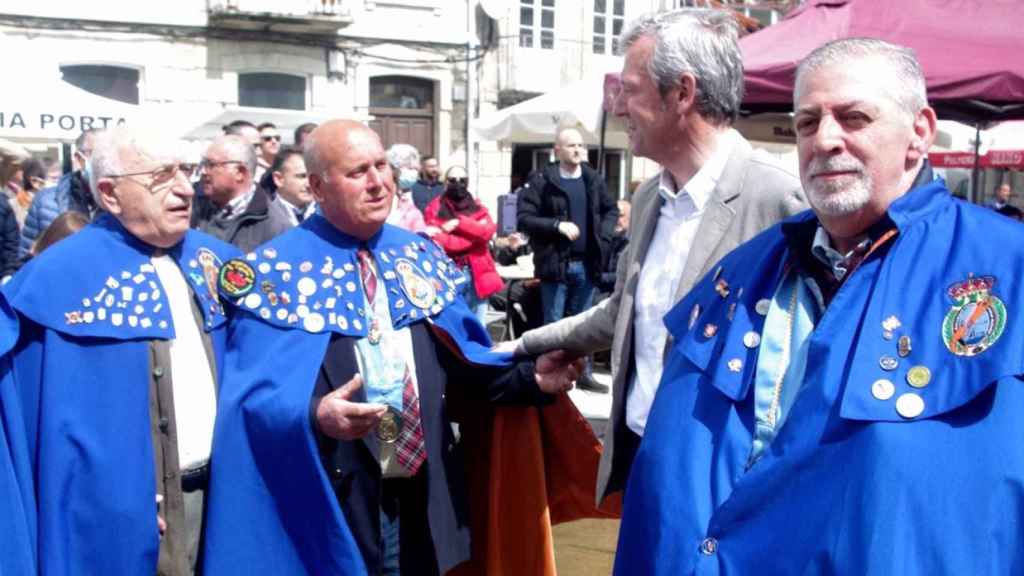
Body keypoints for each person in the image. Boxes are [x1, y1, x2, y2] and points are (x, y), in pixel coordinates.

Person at [617, 37, 1024, 574]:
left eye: (854, 118)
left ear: (920, 131)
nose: (825, 139)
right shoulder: (743, 272)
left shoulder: (1009, 270)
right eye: (808, 122)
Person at [201, 120, 596, 575]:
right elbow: (249, 402)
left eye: (381, 166)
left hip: (423, 492)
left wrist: (531, 378)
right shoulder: (272, 274)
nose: (378, 182)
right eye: (358, 172)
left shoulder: (420, 255)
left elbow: (467, 364)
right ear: (317, 187)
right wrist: (314, 415)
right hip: (335, 499)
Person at [504, 7, 806, 505]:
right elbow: (622, 312)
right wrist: (523, 345)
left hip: (729, 486)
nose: (618, 107)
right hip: (642, 461)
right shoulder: (649, 198)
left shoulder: (780, 201)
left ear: (682, 93)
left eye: (630, 90)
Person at [0, 127, 241, 574]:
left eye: (186, 171)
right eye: (162, 176)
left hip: (222, 500)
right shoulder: (53, 281)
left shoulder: (219, 263)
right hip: (118, 517)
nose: (185, 188)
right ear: (110, 194)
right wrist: (111, 502)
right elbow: (44, 429)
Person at [518, 127, 618, 326]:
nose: (577, 150)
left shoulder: (593, 179)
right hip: (555, 265)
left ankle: (580, 352)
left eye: (581, 145)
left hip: (588, 265)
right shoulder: (543, 180)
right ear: (558, 150)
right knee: (553, 326)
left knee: (583, 326)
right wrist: (556, 225)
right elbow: (524, 219)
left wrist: (604, 238)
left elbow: (611, 210)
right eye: (571, 146)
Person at [424, 165, 504, 323]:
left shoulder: (478, 206)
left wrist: (459, 223)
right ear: (445, 182)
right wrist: (474, 236)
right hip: (449, 272)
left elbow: (488, 232)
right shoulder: (435, 207)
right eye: (453, 180)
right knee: (453, 326)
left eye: (462, 180)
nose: (458, 184)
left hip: (478, 273)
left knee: (478, 326)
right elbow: (438, 241)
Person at [191, 134, 291, 252]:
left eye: (211, 165)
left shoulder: (276, 228)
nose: (203, 171)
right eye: (203, 164)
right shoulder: (192, 205)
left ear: (240, 172)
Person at [20, 128, 102, 257]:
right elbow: (26, 255)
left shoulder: (123, 200)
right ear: (79, 159)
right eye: (100, 156)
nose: (108, 163)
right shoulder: (45, 201)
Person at [268, 146, 317, 226]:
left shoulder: (325, 214)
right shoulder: (264, 218)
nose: (309, 184)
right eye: (302, 176)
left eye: (312, 177)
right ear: (279, 179)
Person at [385, 143, 427, 233]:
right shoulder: (380, 196)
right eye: (410, 168)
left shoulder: (413, 195)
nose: (414, 173)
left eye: (416, 169)